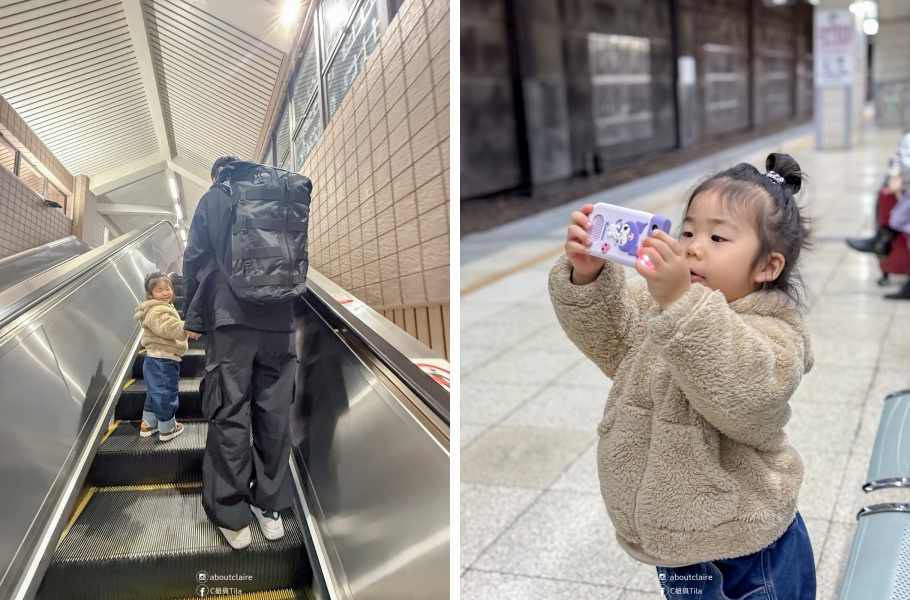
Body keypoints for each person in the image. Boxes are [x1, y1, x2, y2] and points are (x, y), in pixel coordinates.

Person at [549, 153, 815, 599]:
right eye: (688, 230)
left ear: (768, 267)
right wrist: (586, 276)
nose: (693, 245)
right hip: (676, 543)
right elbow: (611, 338)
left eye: (717, 236)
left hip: (747, 545)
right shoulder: (667, 306)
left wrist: (679, 303)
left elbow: (746, 389)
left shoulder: (775, 332)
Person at [183, 155, 297, 550]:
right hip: (282, 323)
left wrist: (192, 317)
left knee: (230, 413)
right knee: (274, 416)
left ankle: (232, 514)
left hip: (231, 321)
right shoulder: (282, 195)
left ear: (218, 174)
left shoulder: (215, 198)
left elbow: (196, 258)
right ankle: (271, 507)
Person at [134, 272, 192, 441]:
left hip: (158, 358)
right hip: (163, 359)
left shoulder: (159, 307)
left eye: (168, 288)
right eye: (159, 290)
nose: (165, 293)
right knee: (166, 393)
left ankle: (148, 424)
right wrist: (187, 327)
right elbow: (166, 326)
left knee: (155, 393)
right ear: (150, 294)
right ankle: (167, 428)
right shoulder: (157, 310)